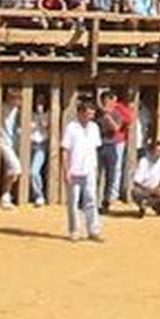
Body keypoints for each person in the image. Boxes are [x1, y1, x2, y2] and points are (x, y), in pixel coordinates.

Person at [61, 98, 103, 243]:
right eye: (88, 114)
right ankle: (74, 230)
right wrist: (66, 170)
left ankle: (94, 230)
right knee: (73, 202)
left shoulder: (94, 128)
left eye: (92, 114)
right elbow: (65, 150)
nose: (90, 117)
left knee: (91, 199)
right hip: (74, 169)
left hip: (90, 168)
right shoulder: (71, 128)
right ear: (80, 113)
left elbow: (95, 149)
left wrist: (95, 167)